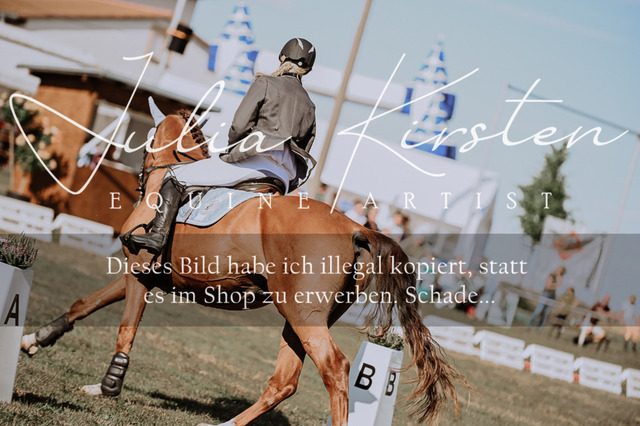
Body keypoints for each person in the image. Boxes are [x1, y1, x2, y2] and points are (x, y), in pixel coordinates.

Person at [123, 38, 317, 255]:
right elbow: (306, 145)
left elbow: (239, 125)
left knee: (174, 176)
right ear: (308, 69)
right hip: (283, 178)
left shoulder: (265, 83)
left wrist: (233, 150)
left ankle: (158, 235)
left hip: (254, 163)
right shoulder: (310, 104)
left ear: (282, 57)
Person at [527, 266, 566, 331]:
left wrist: (559, 279)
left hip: (552, 296)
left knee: (546, 313)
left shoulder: (558, 278)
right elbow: (548, 286)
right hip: (545, 295)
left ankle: (539, 329)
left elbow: (560, 285)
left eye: (561, 271)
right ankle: (529, 326)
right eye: (559, 270)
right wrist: (556, 285)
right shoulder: (551, 275)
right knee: (538, 310)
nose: (559, 271)